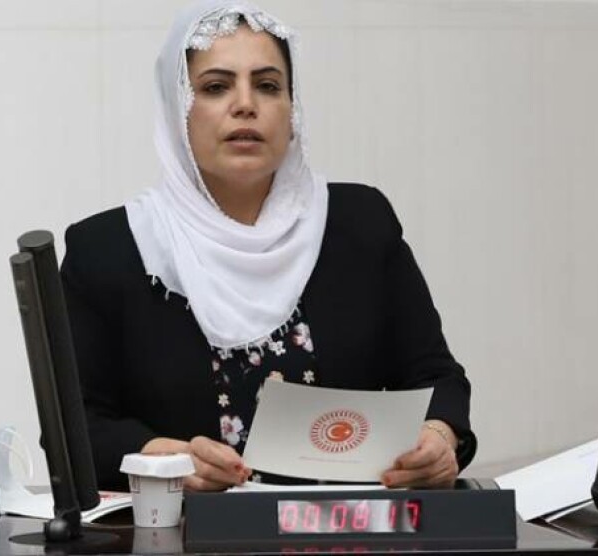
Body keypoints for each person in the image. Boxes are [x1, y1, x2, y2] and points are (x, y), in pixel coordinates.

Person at [60, 0, 476, 493]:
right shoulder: (110, 249)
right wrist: (165, 460)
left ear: (291, 109)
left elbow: (436, 377)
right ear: (176, 108)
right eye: (216, 87)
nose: (245, 105)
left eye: (268, 86)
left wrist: (438, 438)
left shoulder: (360, 224)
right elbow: (73, 430)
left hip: (351, 527)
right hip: (188, 530)